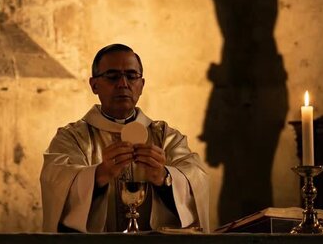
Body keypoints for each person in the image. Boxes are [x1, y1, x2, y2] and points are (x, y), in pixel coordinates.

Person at [40, 44, 209, 233]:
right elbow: (55, 181)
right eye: (112, 76)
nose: (123, 83)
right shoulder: (72, 138)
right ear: (94, 85)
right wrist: (99, 175)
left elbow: (197, 177)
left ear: (142, 85)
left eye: (131, 76)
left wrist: (164, 178)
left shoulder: (166, 137)